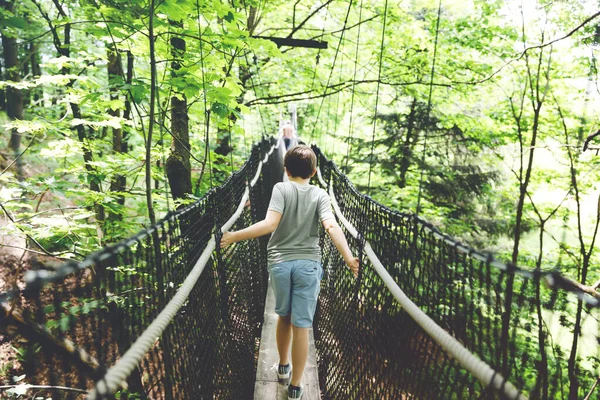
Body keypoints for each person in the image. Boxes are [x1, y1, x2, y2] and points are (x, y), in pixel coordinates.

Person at [220, 145, 359, 400]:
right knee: (302, 325)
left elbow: (270, 224)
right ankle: (295, 386)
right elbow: (331, 227)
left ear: (285, 170)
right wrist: (349, 257)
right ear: (315, 172)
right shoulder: (320, 195)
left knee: (283, 316)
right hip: (308, 266)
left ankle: (283, 366)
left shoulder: (280, 188)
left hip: (281, 265)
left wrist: (234, 236)